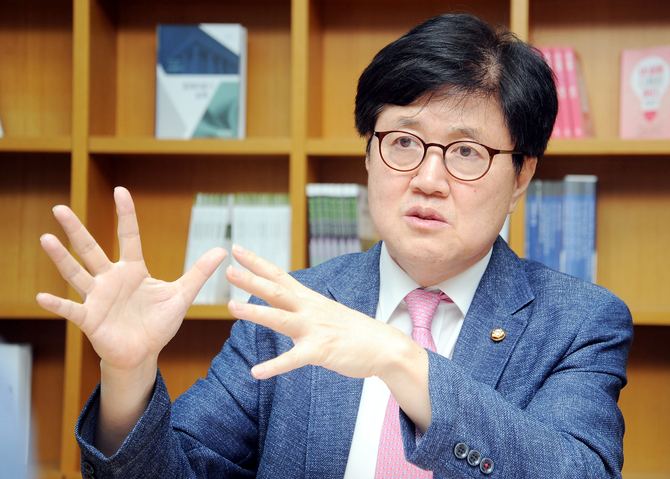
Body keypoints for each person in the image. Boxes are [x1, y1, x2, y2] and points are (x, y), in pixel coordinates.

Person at [36, 13, 632, 479]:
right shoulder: (289, 308)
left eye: (466, 152)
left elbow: (579, 470)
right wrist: (129, 376)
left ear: (522, 175)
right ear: (368, 153)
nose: (427, 179)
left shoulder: (579, 323)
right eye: (403, 142)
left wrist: (400, 359)